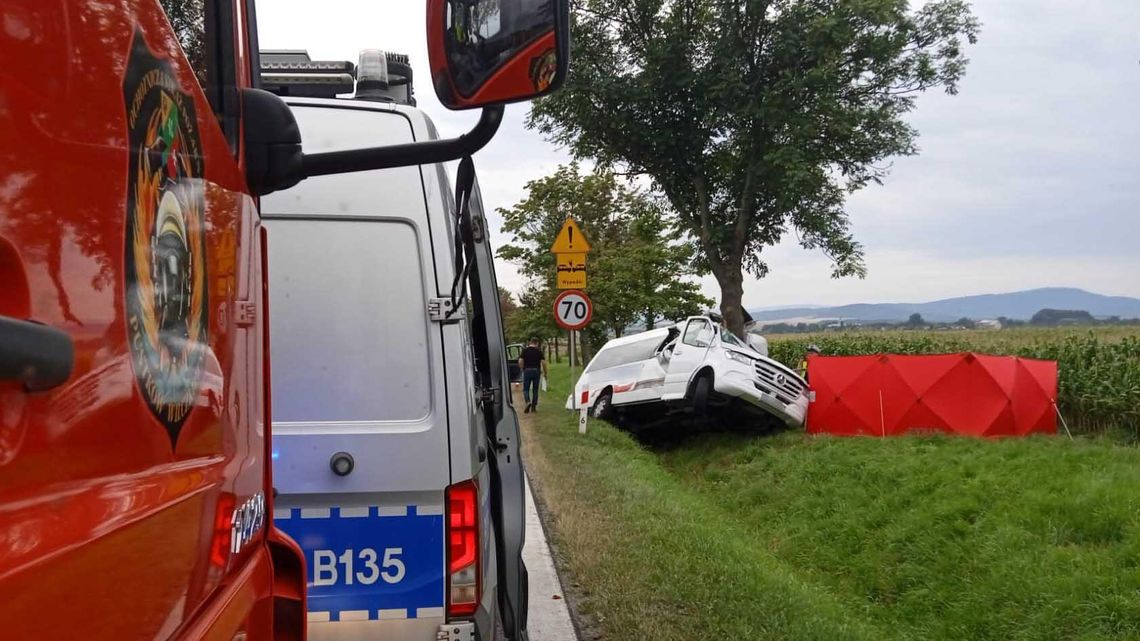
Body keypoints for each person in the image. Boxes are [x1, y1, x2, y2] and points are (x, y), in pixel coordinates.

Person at [518, 337, 547, 413]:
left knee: (526, 389)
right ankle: (533, 407)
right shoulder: (539, 351)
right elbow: (543, 363)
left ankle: (528, 402)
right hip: (536, 371)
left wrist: (522, 368)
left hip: (527, 370)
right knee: (535, 389)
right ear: (537, 343)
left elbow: (520, 360)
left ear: (530, 342)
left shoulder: (525, 351)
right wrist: (545, 373)